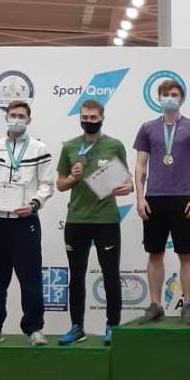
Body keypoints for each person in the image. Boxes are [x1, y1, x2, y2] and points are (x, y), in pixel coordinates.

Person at [0, 101, 54, 346]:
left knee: (30, 279)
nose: (16, 119)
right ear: (6, 117)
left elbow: (47, 184)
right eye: (13, 115)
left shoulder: (39, 148)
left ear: (29, 120)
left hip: (25, 221)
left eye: (21, 116)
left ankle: (34, 329)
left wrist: (34, 204)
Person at [55, 99, 133, 346]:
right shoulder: (69, 146)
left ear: (102, 118)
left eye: (93, 118)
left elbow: (128, 181)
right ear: (80, 119)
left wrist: (127, 187)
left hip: (106, 219)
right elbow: (60, 184)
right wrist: (72, 178)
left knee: (110, 274)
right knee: (76, 276)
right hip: (77, 219)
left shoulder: (114, 145)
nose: (89, 122)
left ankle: (112, 326)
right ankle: (77, 327)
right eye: (85, 118)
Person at [134, 79, 190, 326]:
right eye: (166, 94)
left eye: (174, 94)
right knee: (154, 253)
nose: (170, 98)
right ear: (158, 98)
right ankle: (156, 305)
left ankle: (187, 305)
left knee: (186, 254)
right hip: (154, 198)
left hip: (183, 199)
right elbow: (140, 165)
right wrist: (140, 197)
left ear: (181, 98)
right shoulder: (147, 128)